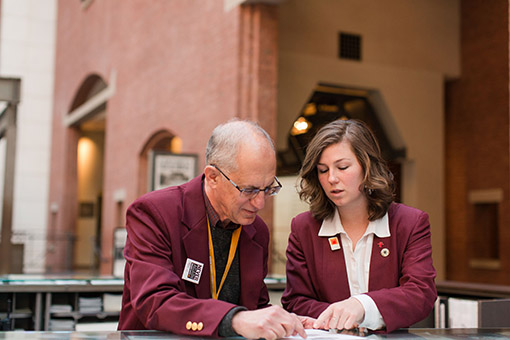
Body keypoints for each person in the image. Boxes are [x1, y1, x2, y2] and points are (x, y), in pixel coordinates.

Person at [118, 119, 307, 339]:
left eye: (268, 189)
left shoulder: (257, 230)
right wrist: (234, 318)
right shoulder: (154, 213)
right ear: (213, 177)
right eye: (249, 190)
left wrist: (286, 321)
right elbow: (155, 301)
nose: (260, 204)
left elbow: (255, 305)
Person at [281, 119, 437, 333]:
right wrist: (343, 319)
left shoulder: (409, 223)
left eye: (342, 167)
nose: (332, 178)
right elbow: (296, 301)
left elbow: (420, 294)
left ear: (367, 167)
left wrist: (362, 306)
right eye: (323, 170)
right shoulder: (304, 227)